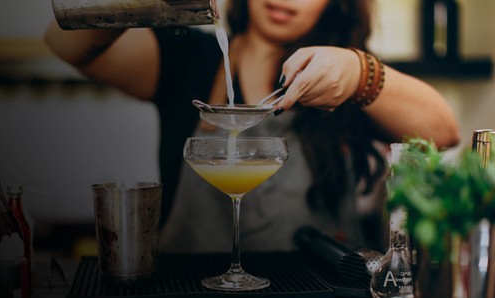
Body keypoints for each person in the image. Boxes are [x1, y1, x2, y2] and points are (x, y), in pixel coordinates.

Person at [44, 0, 460, 253]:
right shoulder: (186, 58)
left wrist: (358, 71)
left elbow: (443, 131)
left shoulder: (335, 75)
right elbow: (65, 43)